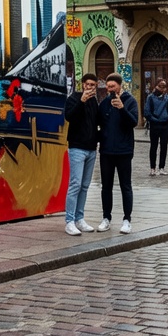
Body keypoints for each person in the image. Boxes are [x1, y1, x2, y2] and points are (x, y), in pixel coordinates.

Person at [97, 73, 138, 234]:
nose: (110, 89)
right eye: (108, 87)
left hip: (124, 151)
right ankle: (106, 217)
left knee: (125, 186)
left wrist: (122, 108)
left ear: (120, 85)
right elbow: (99, 123)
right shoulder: (104, 103)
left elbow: (133, 122)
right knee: (106, 186)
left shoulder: (130, 101)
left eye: (113, 86)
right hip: (107, 151)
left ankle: (127, 219)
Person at [62, 73, 100, 237]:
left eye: (93, 85)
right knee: (75, 184)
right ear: (83, 84)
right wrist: (82, 101)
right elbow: (69, 116)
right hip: (77, 147)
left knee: (85, 185)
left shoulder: (94, 101)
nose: (89, 87)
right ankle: (69, 221)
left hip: (91, 148)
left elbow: (96, 122)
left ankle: (79, 218)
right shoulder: (74, 98)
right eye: (87, 84)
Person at [143, 78, 168, 177]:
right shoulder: (150, 97)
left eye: (164, 87)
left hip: (165, 124)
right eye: (160, 86)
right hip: (154, 124)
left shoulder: (167, 98)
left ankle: (162, 167)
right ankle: (152, 168)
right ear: (156, 86)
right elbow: (147, 112)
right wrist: (154, 119)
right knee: (154, 146)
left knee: (164, 146)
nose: (162, 89)